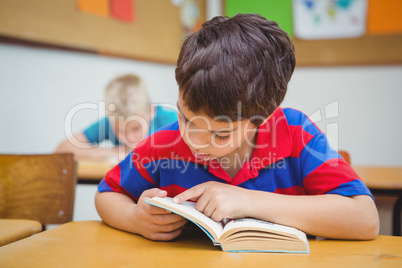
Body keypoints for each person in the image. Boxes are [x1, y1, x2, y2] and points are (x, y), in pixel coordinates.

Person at [95, 14, 379, 241]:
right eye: (185, 118)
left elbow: (365, 220)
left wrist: (246, 200)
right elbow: (107, 194)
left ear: (264, 118)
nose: (194, 140)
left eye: (220, 134)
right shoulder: (165, 143)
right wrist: (135, 219)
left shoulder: (295, 132)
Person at [55, 74, 177, 160]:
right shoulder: (111, 121)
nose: (129, 139)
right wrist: (112, 152)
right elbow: (63, 149)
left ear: (151, 111)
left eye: (136, 128)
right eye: (120, 130)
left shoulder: (171, 121)